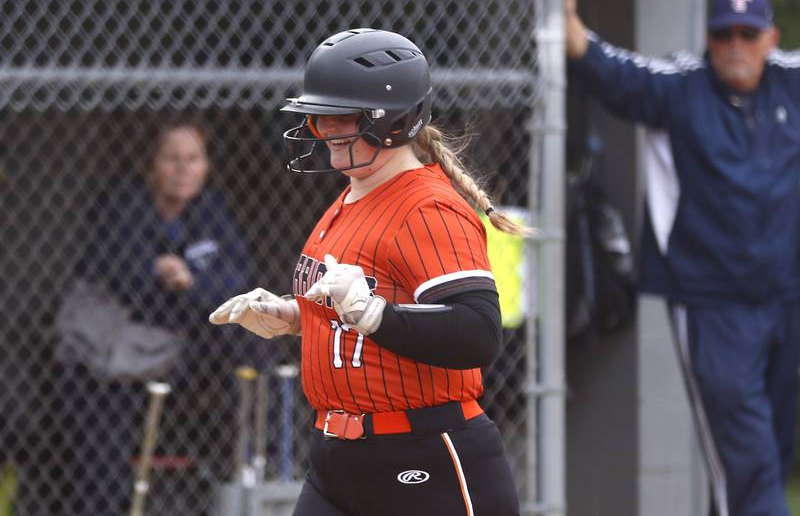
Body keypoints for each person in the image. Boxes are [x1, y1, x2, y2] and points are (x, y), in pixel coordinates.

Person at [210, 28, 524, 516]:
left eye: (345, 116)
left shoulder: (427, 208)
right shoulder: (354, 191)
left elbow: (478, 333)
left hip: (422, 455)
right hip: (338, 456)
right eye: (322, 115)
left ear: (395, 121)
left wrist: (373, 314)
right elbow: (366, 301)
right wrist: (295, 315)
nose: (327, 128)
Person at [562, 0, 800, 516]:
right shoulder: (682, 88)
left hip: (785, 299)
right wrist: (569, 20)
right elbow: (609, 69)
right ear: (709, 39)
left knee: (771, 452)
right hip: (713, 304)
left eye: (748, 33)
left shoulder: (790, 81)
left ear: (770, 38)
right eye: (724, 34)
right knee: (746, 466)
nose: (736, 45)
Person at [35, 121, 257, 516]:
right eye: (171, 159)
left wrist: (187, 282)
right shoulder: (123, 206)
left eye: (193, 159)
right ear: (151, 166)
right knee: (101, 456)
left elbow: (236, 282)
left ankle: (253, 463)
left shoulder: (211, 210)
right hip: (112, 367)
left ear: (206, 166)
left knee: (251, 339)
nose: (182, 169)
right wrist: (171, 283)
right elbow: (122, 279)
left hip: (187, 357)